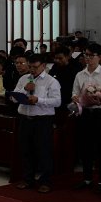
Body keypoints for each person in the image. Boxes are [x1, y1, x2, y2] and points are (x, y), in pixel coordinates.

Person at [12, 56, 60, 193]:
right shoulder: (24, 79)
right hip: (25, 118)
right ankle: (28, 179)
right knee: (26, 150)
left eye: (35, 67)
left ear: (43, 66)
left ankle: (45, 181)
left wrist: (39, 100)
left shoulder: (51, 81)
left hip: (42, 120)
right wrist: (24, 89)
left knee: (43, 151)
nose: (32, 70)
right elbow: (13, 98)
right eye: (30, 67)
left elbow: (57, 101)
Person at [72, 43, 101, 193]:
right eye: (86, 55)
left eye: (91, 55)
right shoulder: (80, 74)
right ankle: (87, 179)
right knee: (85, 147)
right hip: (85, 114)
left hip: (99, 114)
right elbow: (75, 92)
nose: (88, 58)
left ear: (99, 57)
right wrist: (76, 98)